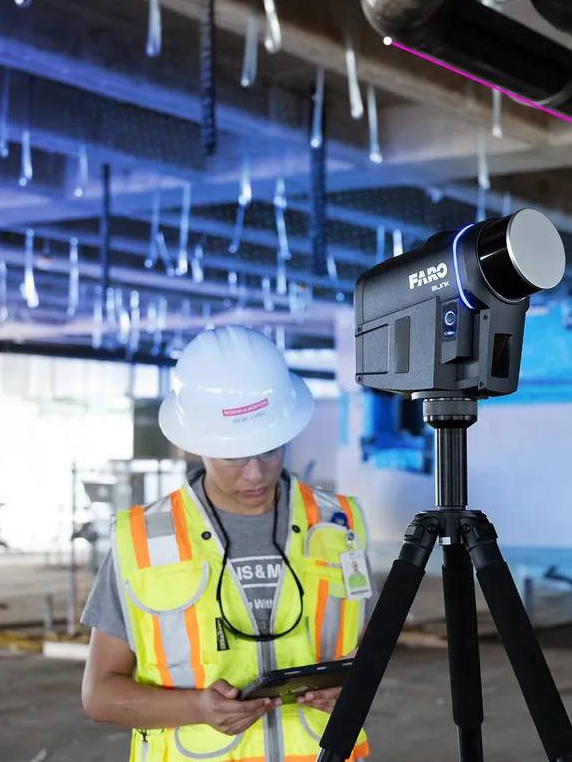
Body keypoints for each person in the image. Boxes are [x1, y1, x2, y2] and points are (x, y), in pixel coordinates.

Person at [80, 326, 376, 762]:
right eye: (234, 456)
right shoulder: (142, 539)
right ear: (196, 445)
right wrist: (195, 707)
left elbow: (367, 644)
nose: (255, 474)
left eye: (270, 450)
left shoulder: (339, 523)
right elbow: (100, 695)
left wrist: (354, 684)